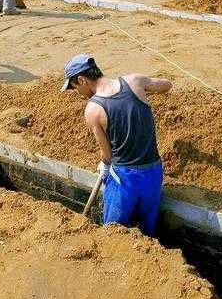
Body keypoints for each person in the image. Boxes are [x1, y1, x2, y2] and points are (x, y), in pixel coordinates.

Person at [62, 55, 173, 237]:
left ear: (82, 80)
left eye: (75, 87)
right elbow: (167, 85)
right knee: (149, 237)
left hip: (125, 181)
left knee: (113, 237)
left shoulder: (93, 109)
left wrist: (104, 166)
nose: (77, 92)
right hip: (153, 175)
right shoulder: (135, 81)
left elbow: (107, 154)